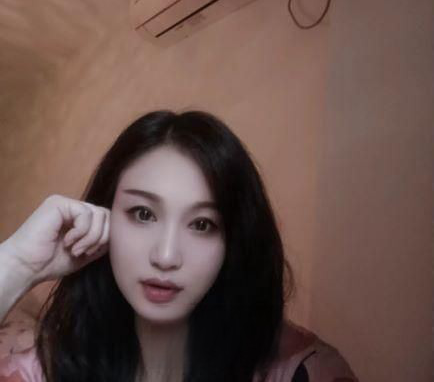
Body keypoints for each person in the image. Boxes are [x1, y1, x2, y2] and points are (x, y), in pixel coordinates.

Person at [0, 109, 358, 382]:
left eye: (202, 224)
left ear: (234, 240)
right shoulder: (44, 369)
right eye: (143, 214)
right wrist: (17, 265)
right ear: (105, 217)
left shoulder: (304, 371)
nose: (166, 256)